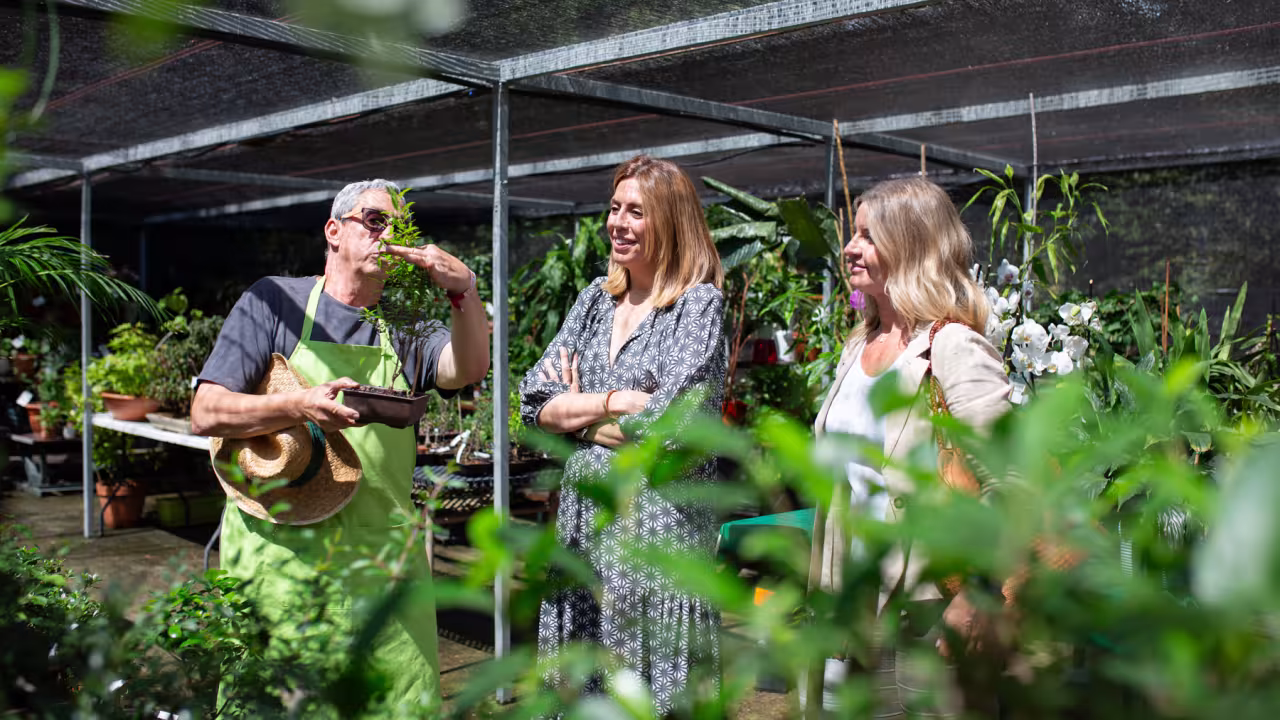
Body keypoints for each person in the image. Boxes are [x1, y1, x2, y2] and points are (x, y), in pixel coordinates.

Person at [191, 179, 490, 714]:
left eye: (401, 227)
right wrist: (298, 405)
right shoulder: (273, 302)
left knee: (393, 700)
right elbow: (206, 412)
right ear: (334, 230)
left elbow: (466, 369)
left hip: (379, 559)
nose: (389, 236)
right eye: (375, 220)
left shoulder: (405, 326)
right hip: (280, 554)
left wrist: (463, 293)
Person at [519, 155, 727, 714]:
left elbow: (672, 427)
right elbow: (532, 401)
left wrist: (576, 414)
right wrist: (609, 403)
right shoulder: (594, 301)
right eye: (615, 208)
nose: (619, 222)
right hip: (584, 535)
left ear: (671, 223)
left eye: (637, 212)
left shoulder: (696, 307)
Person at [807, 177, 1012, 717]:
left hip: (928, 611)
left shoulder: (953, 348)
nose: (851, 248)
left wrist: (976, 600)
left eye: (869, 236)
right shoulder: (859, 346)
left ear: (912, 246)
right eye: (855, 234)